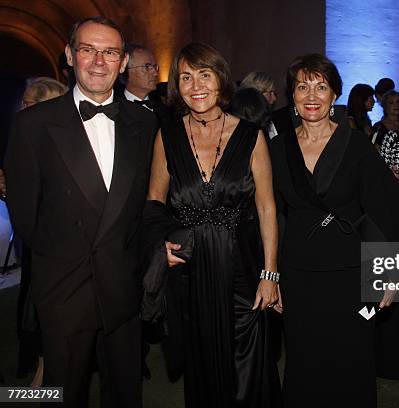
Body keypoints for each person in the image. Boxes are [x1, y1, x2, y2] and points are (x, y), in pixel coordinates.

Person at [4, 16, 158, 408]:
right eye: (88, 50)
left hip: (123, 286)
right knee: (62, 393)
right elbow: (25, 214)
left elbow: (146, 204)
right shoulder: (33, 124)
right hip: (64, 290)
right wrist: (61, 265)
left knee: (124, 394)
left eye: (109, 52)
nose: (98, 61)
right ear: (70, 56)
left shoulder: (146, 123)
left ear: (122, 63)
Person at [145, 42, 281, 408]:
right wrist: (160, 247)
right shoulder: (167, 136)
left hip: (242, 268)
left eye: (204, 74)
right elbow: (154, 202)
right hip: (189, 271)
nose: (195, 85)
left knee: (249, 363)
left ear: (220, 79)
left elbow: (267, 207)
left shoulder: (250, 136)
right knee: (202, 360)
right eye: (185, 77)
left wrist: (270, 275)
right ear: (176, 86)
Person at [269, 53, 399, 408]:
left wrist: (391, 272)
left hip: (351, 272)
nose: (311, 95)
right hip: (298, 273)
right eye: (302, 86)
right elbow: (271, 216)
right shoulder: (276, 148)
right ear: (292, 95)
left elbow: (387, 209)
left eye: (321, 86)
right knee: (303, 361)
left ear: (334, 95)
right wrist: (272, 274)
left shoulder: (357, 145)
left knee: (352, 361)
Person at [14, 76, 68, 388]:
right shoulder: (28, 141)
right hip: (44, 248)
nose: (23, 108)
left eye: (29, 103)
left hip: (60, 252)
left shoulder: (56, 142)